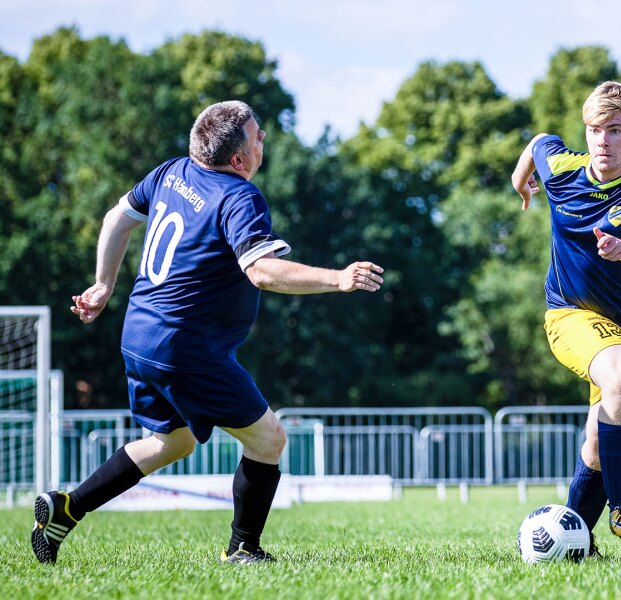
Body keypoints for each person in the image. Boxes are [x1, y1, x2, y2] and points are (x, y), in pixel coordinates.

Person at [33, 100, 384, 565]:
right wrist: (337, 278)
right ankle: (243, 549)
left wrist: (103, 284)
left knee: (171, 442)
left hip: (139, 335)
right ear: (238, 159)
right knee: (268, 440)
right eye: (257, 137)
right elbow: (261, 270)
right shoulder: (239, 196)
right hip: (185, 347)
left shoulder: (171, 173)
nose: (263, 142)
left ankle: (68, 507)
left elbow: (115, 219)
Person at [511, 81, 621, 555]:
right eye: (594, 130)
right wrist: (519, 181)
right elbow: (538, 142)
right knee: (619, 377)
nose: (603, 140)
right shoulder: (564, 171)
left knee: (601, 435)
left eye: (614, 131)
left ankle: (574, 541)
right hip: (571, 314)